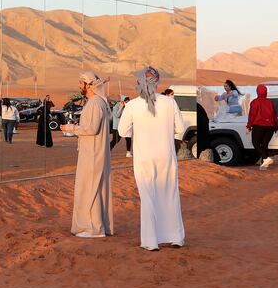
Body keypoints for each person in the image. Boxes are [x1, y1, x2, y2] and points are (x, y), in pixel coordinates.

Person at [118, 66, 186, 251]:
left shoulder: (132, 105)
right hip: (166, 154)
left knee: (148, 196)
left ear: (139, 81)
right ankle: (176, 237)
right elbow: (180, 128)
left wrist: (139, 132)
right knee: (170, 193)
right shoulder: (169, 102)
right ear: (157, 81)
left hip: (144, 156)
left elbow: (122, 131)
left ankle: (150, 240)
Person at [61, 72, 113, 238]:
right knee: (92, 187)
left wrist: (71, 128)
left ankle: (93, 228)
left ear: (89, 85)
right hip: (92, 151)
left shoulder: (95, 103)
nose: (78, 85)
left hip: (92, 153)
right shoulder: (96, 103)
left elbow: (91, 129)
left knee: (90, 188)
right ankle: (94, 226)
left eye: (81, 82)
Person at [247, 84, 278, 170]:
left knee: (256, 143)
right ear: (266, 92)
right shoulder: (270, 102)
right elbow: (274, 115)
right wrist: (276, 126)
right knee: (264, 144)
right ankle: (264, 165)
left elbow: (252, 115)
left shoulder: (255, 102)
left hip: (259, 126)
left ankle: (266, 158)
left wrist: (249, 126)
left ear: (257, 92)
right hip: (270, 126)